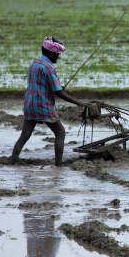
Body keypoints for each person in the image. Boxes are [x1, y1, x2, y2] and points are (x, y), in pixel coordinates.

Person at [11, 37, 88, 166]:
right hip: (42, 105)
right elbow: (58, 92)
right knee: (60, 132)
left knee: (24, 135)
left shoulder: (34, 64)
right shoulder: (48, 68)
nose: (58, 57)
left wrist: (55, 88)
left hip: (29, 104)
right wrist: (78, 103)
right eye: (57, 54)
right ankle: (59, 166)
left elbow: (42, 85)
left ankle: (12, 161)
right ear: (51, 53)